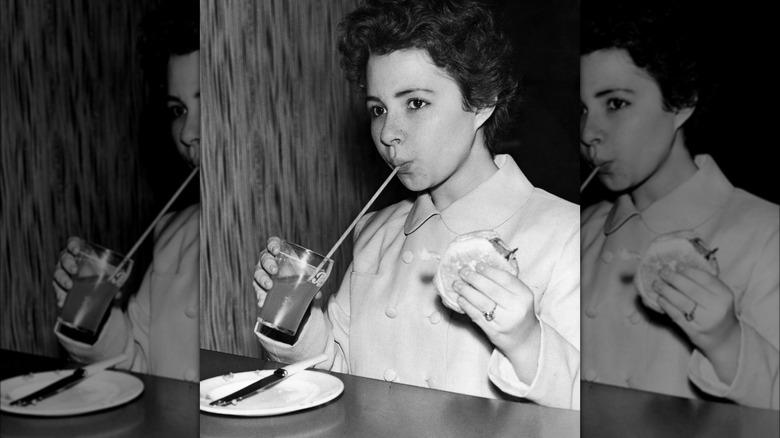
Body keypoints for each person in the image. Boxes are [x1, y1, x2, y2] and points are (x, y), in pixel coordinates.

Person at [253, 0, 579, 409]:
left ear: (482, 100)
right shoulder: (374, 231)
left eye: (416, 103)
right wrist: (296, 323)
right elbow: (338, 384)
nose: (388, 132)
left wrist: (527, 340)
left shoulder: (566, 233)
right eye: (378, 109)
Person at [579, 2, 779, 409]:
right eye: (582, 109)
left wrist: (726, 339)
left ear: (682, 100)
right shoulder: (581, 229)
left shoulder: (766, 232)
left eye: (615, 103)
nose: (589, 133)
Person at [52, 2, 200, 382]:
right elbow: (138, 370)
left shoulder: (289, 237)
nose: (186, 134)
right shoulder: (171, 232)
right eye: (178, 110)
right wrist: (94, 320)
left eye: (206, 102)